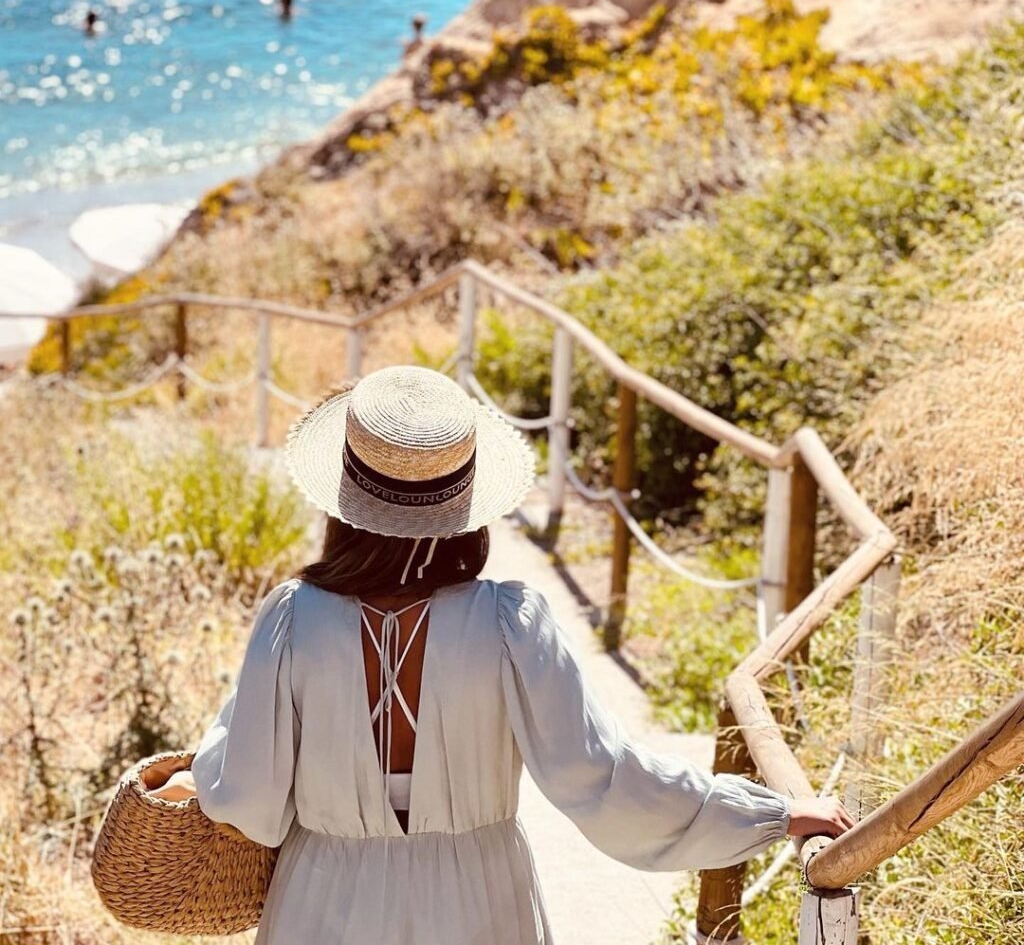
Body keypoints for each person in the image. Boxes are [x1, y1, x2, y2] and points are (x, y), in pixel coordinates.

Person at [149, 365, 852, 944]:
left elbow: (252, 804)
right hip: (478, 903)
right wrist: (773, 814)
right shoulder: (510, 622)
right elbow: (603, 778)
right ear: (466, 505)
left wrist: (202, 764)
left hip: (322, 904)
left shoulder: (291, 619)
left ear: (344, 499)